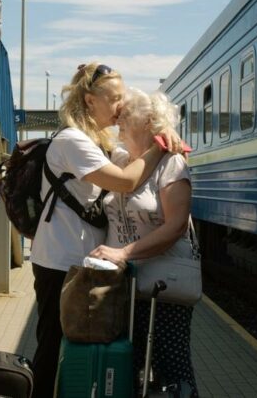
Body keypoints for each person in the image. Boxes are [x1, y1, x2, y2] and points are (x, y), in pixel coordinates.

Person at [30, 62, 181, 397]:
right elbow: (127, 181)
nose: (120, 106)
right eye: (114, 99)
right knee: (53, 347)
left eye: (122, 98)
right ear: (89, 101)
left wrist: (165, 133)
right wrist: (161, 147)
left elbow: (134, 155)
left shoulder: (98, 143)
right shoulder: (72, 142)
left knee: (80, 349)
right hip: (59, 262)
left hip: (84, 262)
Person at [89, 88, 198, 396]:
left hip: (164, 290)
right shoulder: (121, 157)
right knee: (124, 368)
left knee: (173, 371)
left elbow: (176, 225)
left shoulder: (173, 164)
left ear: (149, 120)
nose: (119, 119)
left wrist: (124, 252)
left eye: (126, 114)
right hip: (124, 289)